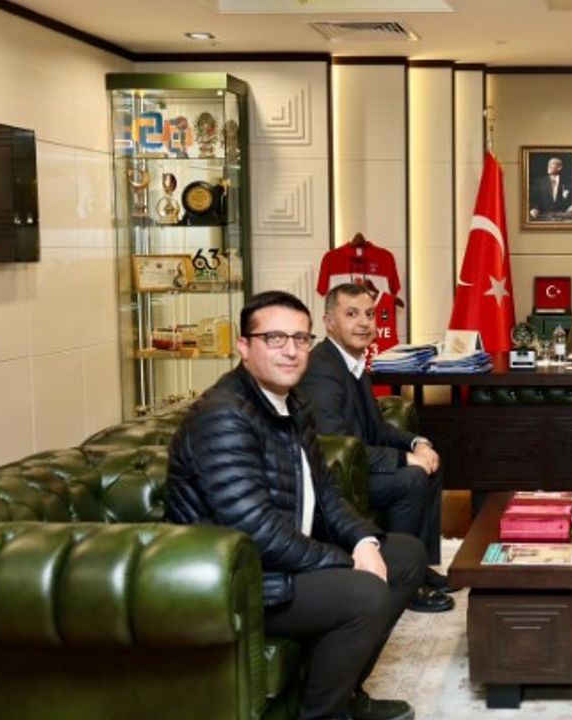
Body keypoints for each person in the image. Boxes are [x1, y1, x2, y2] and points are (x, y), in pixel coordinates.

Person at [165, 290, 422, 720]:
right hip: (234, 579)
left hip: (279, 562)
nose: (291, 350)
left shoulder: (291, 401)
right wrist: (345, 561)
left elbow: (327, 492)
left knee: (404, 556)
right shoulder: (223, 415)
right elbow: (254, 530)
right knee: (365, 592)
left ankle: (344, 694)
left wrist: (363, 541)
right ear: (244, 346)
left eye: (301, 339)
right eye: (275, 338)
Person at [298, 283, 455, 613]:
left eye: (369, 314)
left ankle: (421, 567)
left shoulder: (352, 362)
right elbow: (337, 447)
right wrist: (403, 459)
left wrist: (416, 443)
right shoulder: (322, 370)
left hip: (358, 467)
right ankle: (403, 579)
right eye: (351, 314)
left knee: (430, 463)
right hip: (337, 479)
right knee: (410, 478)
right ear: (329, 322)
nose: (364, 323)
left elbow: (377, 429)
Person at [528, 155, 572, 220]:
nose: (549, 166)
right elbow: (534, 199)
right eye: (548, 164)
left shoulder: (568, 181)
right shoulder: (540, 182)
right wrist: (533, 208)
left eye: (552, 164)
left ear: (559, 167)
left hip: (563, 218)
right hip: (543, 217)